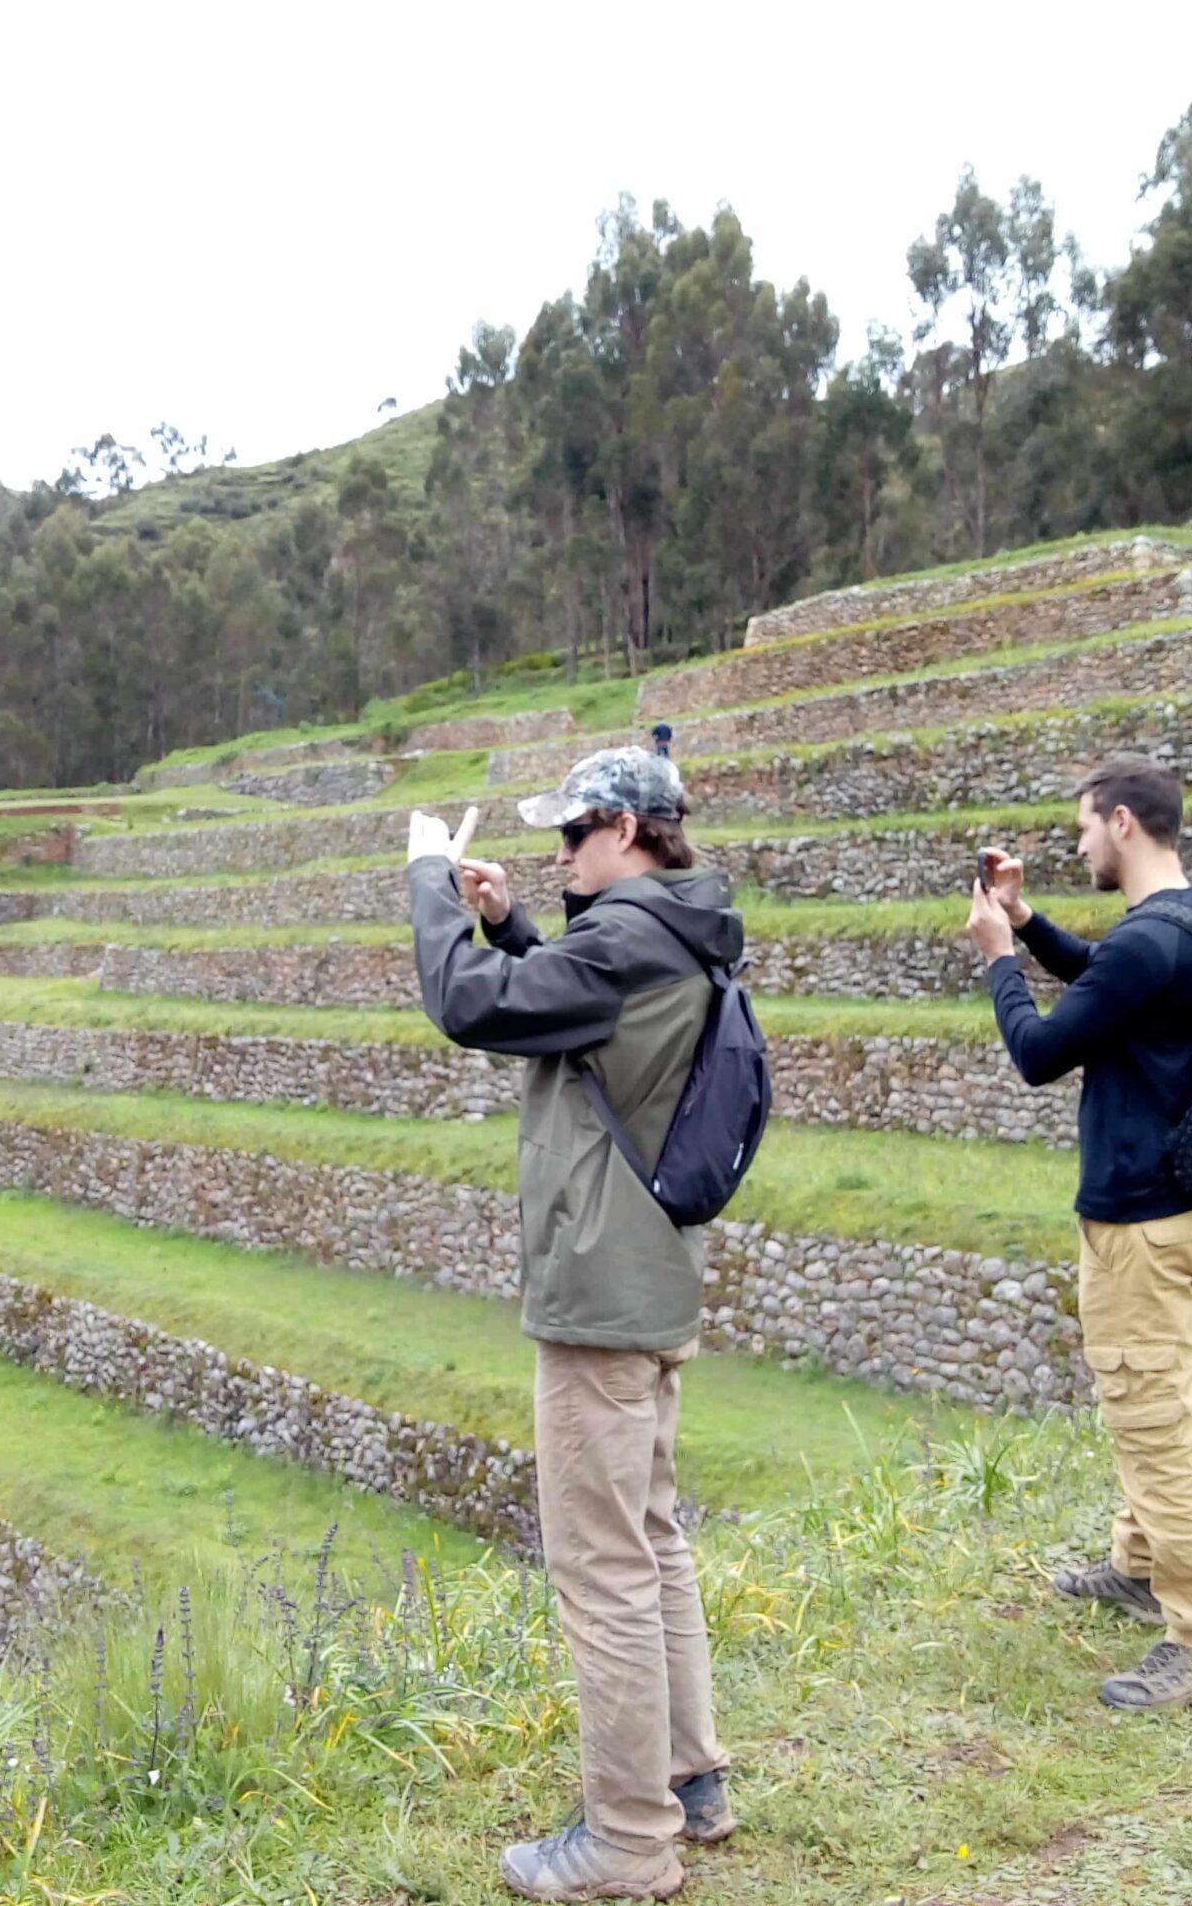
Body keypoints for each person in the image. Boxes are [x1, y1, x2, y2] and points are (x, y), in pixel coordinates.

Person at [404, 747, 742, 1903]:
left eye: (573, 834)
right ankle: (690, 1781)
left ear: (634, 831)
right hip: (648, 1277)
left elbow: (468, 1010)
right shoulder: (674, 927)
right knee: (649, 1541)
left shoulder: (630, 936)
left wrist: (427, 881)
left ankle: (627, 1844)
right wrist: (506, 928)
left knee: (601, 1568)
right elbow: (578, 1008)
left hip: (601, 1295)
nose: (557, 857)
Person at [962, 755, 1192, 1710]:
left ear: (1122, 823)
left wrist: (998, 958)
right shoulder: (1186, 921)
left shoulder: (1151, 940)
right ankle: (1138, 1567)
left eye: (1084, 828)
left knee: (1151, 1416)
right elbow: (1107, 984)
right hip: (1172, 1208)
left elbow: (1042, 1051)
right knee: (1146, 1397)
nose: (1079, 843)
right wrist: (1032, 922)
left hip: (1141, 1219)